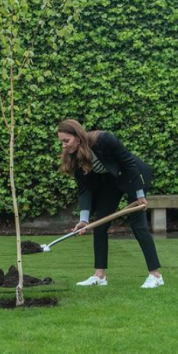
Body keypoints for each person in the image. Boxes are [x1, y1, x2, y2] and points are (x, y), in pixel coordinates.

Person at [57, 119, 164, 288]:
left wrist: (140, 193)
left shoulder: (104, 139)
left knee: (138, 224)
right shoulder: (75, 157)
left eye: (66, 141)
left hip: (133, 176)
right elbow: (85, 189)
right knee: (100, 223)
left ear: (78, 137)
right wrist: (84, 220)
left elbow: (128, 161)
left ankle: (156, 275)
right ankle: (99, 276)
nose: (63, 145)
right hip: (112, 181)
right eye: (61, 142)